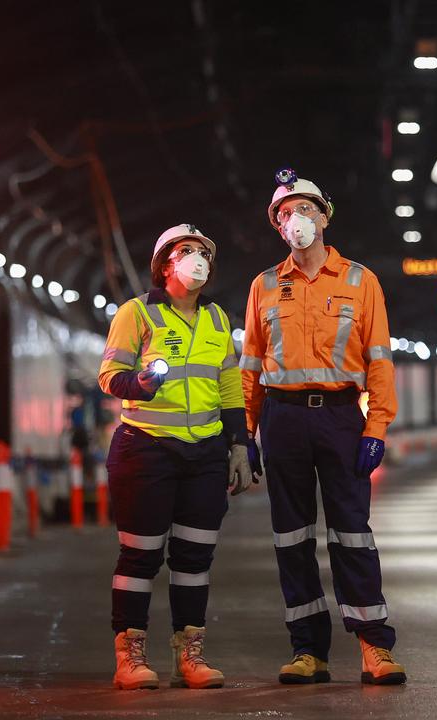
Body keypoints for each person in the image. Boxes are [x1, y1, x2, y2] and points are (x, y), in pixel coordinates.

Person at [239, 168, 405, 685]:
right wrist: (244, 432)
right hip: (282, 418)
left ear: (325, 217)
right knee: (291, 537)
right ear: (277, 227)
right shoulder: (264, 286)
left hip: (339, 417)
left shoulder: (361, 281)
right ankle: (308, 650)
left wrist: (376, 424)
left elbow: (379, 359)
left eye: (306, 209)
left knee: (352, 533)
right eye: (286, 214)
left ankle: (374, 645)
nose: (297, 220)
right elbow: (250, 366)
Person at [98, 223, 253, 690]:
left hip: (204, 453)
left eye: (204, 251)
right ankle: (130, 655)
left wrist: (240, 445)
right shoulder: (137, 313)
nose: (198, 258)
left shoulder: (219, 320)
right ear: (166, 263)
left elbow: (228, 386)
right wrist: (140, 384)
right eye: (187, 251)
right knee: (140, 555)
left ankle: (190, 654)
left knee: (194, 558)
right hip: (145, 448)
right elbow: (109, 376)